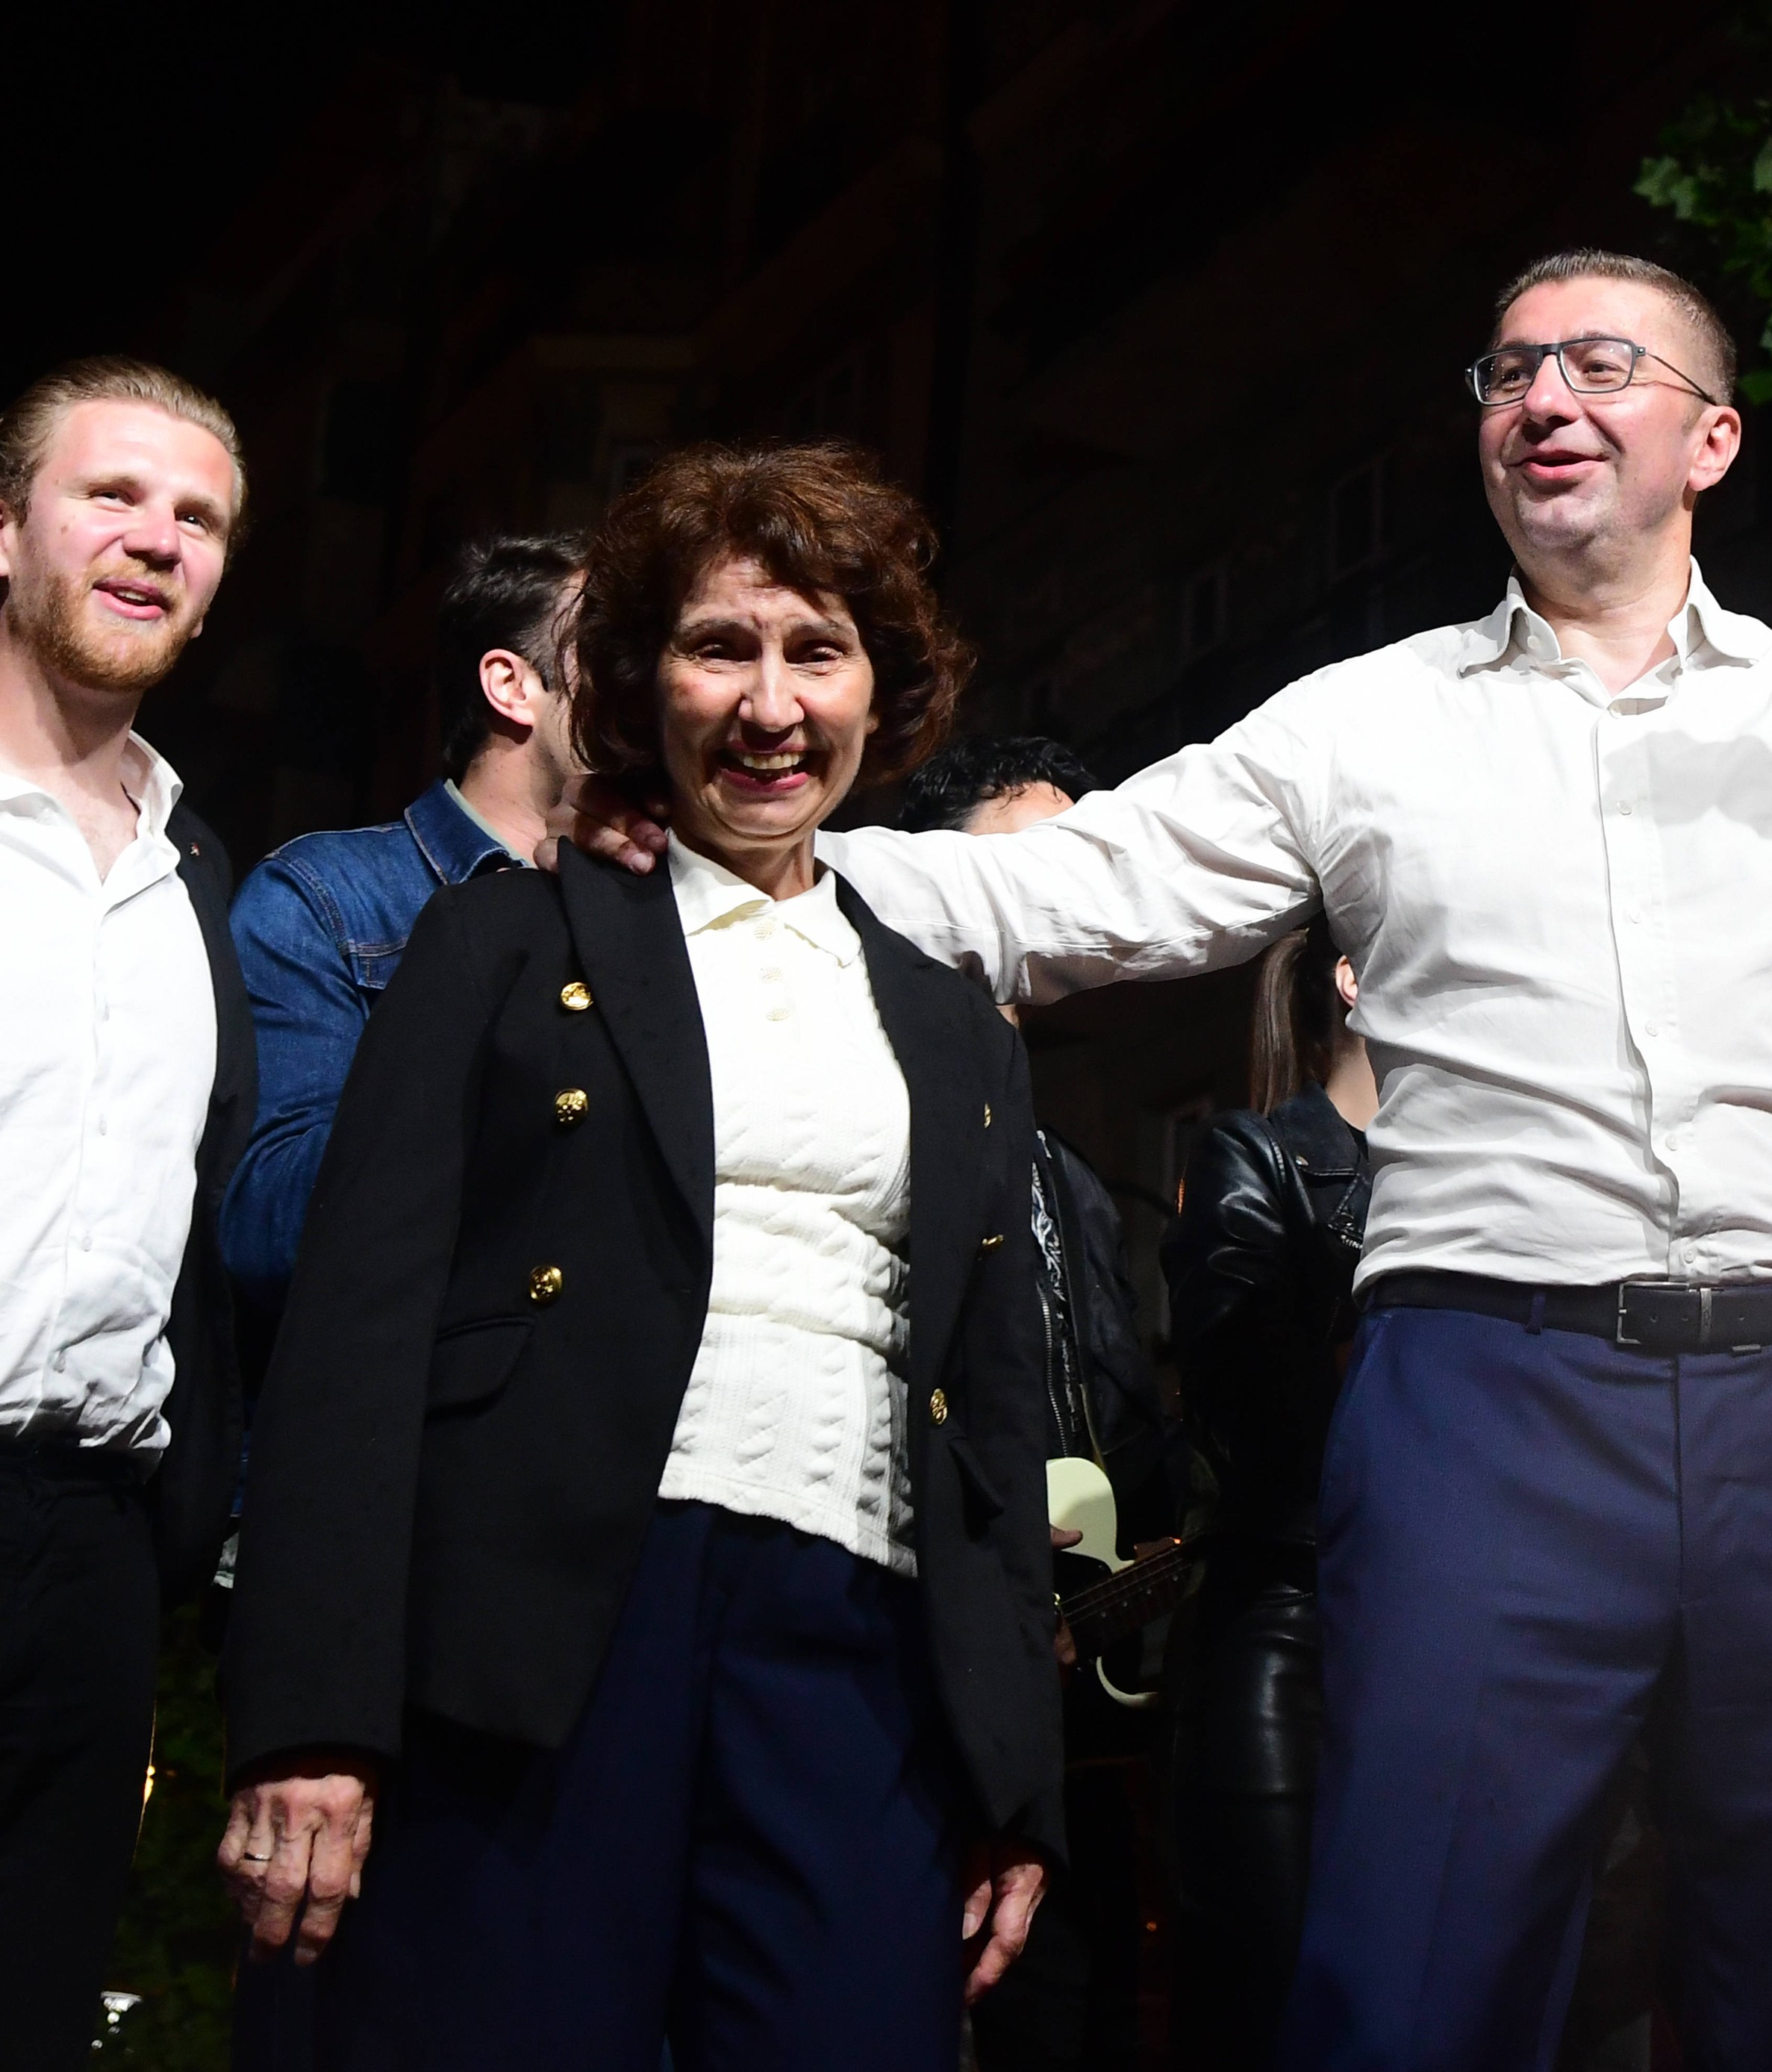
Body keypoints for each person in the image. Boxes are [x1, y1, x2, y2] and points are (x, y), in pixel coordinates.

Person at [574, 190, 1772, 2066]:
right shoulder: (1366, 726)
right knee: (1414, 1976)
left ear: (1710, 439)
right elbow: (1066, 891)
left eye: (1600, 361)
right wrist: (728, 855)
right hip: (1487, 1395)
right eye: (1508, 369)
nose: (1543, 395)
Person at [215, 441, 1063, 2070]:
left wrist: (1011, 1776)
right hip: (543, 1643)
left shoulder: (954, 1025)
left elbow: (995, 1415)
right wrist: (315, 1716)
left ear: (880, 692)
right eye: (718, 646)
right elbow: (357, 1325)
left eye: (817, 650)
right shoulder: (507, 933)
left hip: (859, 1659)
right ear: (634, 685)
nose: (768, 702)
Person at [0, 358, 253, 2071]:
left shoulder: (197, 877)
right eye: (112, 493)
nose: (156, 538)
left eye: (200, 516)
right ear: (6, 527)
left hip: (86, 1545)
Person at [898, 732, 1181, 2072]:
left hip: (1062, 1684)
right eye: (1037, 854)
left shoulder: (1066, 1168)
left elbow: (1107, 1405)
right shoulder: (877, 1109)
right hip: (915, 1658)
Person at [223, 534, 584, 1311]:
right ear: (512, 686)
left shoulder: (658, 910)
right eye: (617, 651)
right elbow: (265, 1226)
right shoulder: (322, 899)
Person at [1162, 917, 1374, 2072]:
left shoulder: (1503, 1168)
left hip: (1447, 1636)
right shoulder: (1263, 1156)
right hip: (1290, 1625)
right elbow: (1251, 1401)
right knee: (1277, 2003)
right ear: (1355, 980)